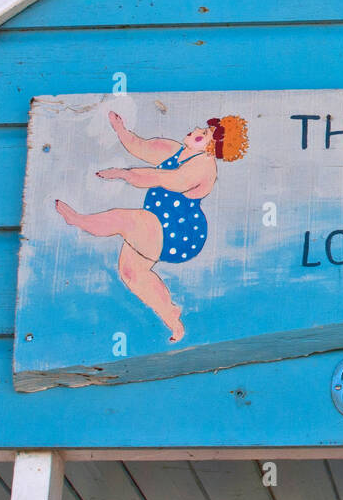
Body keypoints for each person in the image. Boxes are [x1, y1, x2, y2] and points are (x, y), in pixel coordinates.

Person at [56, 111, 248, 342]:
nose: (196, 131)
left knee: (126, 220)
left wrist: (124, 174)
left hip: (177, 232)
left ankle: (78, 220)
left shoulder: (203, 167)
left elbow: (163, 179)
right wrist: (121, 130)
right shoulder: (179, 150)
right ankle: (172, 318)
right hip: (157, 221)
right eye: (201, 129)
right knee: (131, 273)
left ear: (212, 146)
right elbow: (143, 147)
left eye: (204, 133)